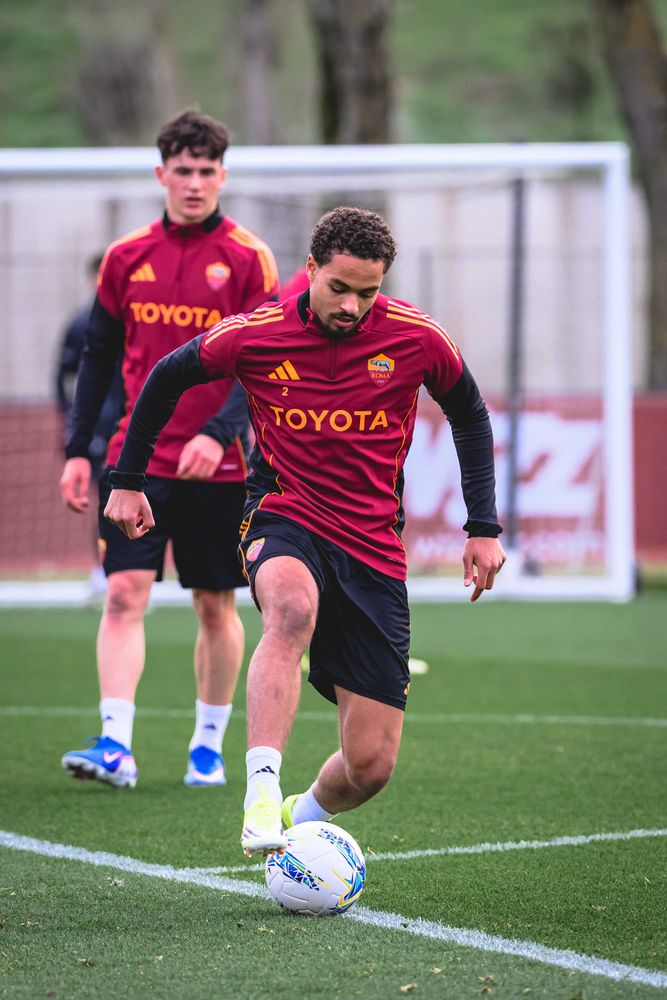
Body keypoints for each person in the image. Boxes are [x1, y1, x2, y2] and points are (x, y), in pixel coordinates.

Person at [103, 206, 506, 851]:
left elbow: (471, 415)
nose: (351, 306)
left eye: (367, 292)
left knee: (370, 767)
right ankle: (261, 790)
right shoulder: (256, 333)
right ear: (311, 270)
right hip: (283, 513)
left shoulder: (417, 338)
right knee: (290, 608)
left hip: (373, 545)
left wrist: (483, 526)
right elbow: (165, 377)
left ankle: (299, 820)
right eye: (339, 288)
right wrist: (128, 480)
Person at [59, 109, 280, 790]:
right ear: (161, 174)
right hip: (135, 462)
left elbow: (265, 364)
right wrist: (76, 450)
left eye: (206, 170)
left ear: (221, 174)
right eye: (181, 171)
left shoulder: (248, 257)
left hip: (219, 467)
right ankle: (115, 745)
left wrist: (220, 435)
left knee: (214, 604)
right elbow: (97, 359)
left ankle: (207, 749)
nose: (193, 182)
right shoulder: (126, 258)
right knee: (124, 594)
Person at [55, 252, 125, 595]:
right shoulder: (82, 323)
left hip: (132, 421)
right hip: (99, 426)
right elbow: (65, 375)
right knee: (105, 495)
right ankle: (103, 567)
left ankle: (132, 569)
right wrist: (73, 421)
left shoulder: (136, 317)